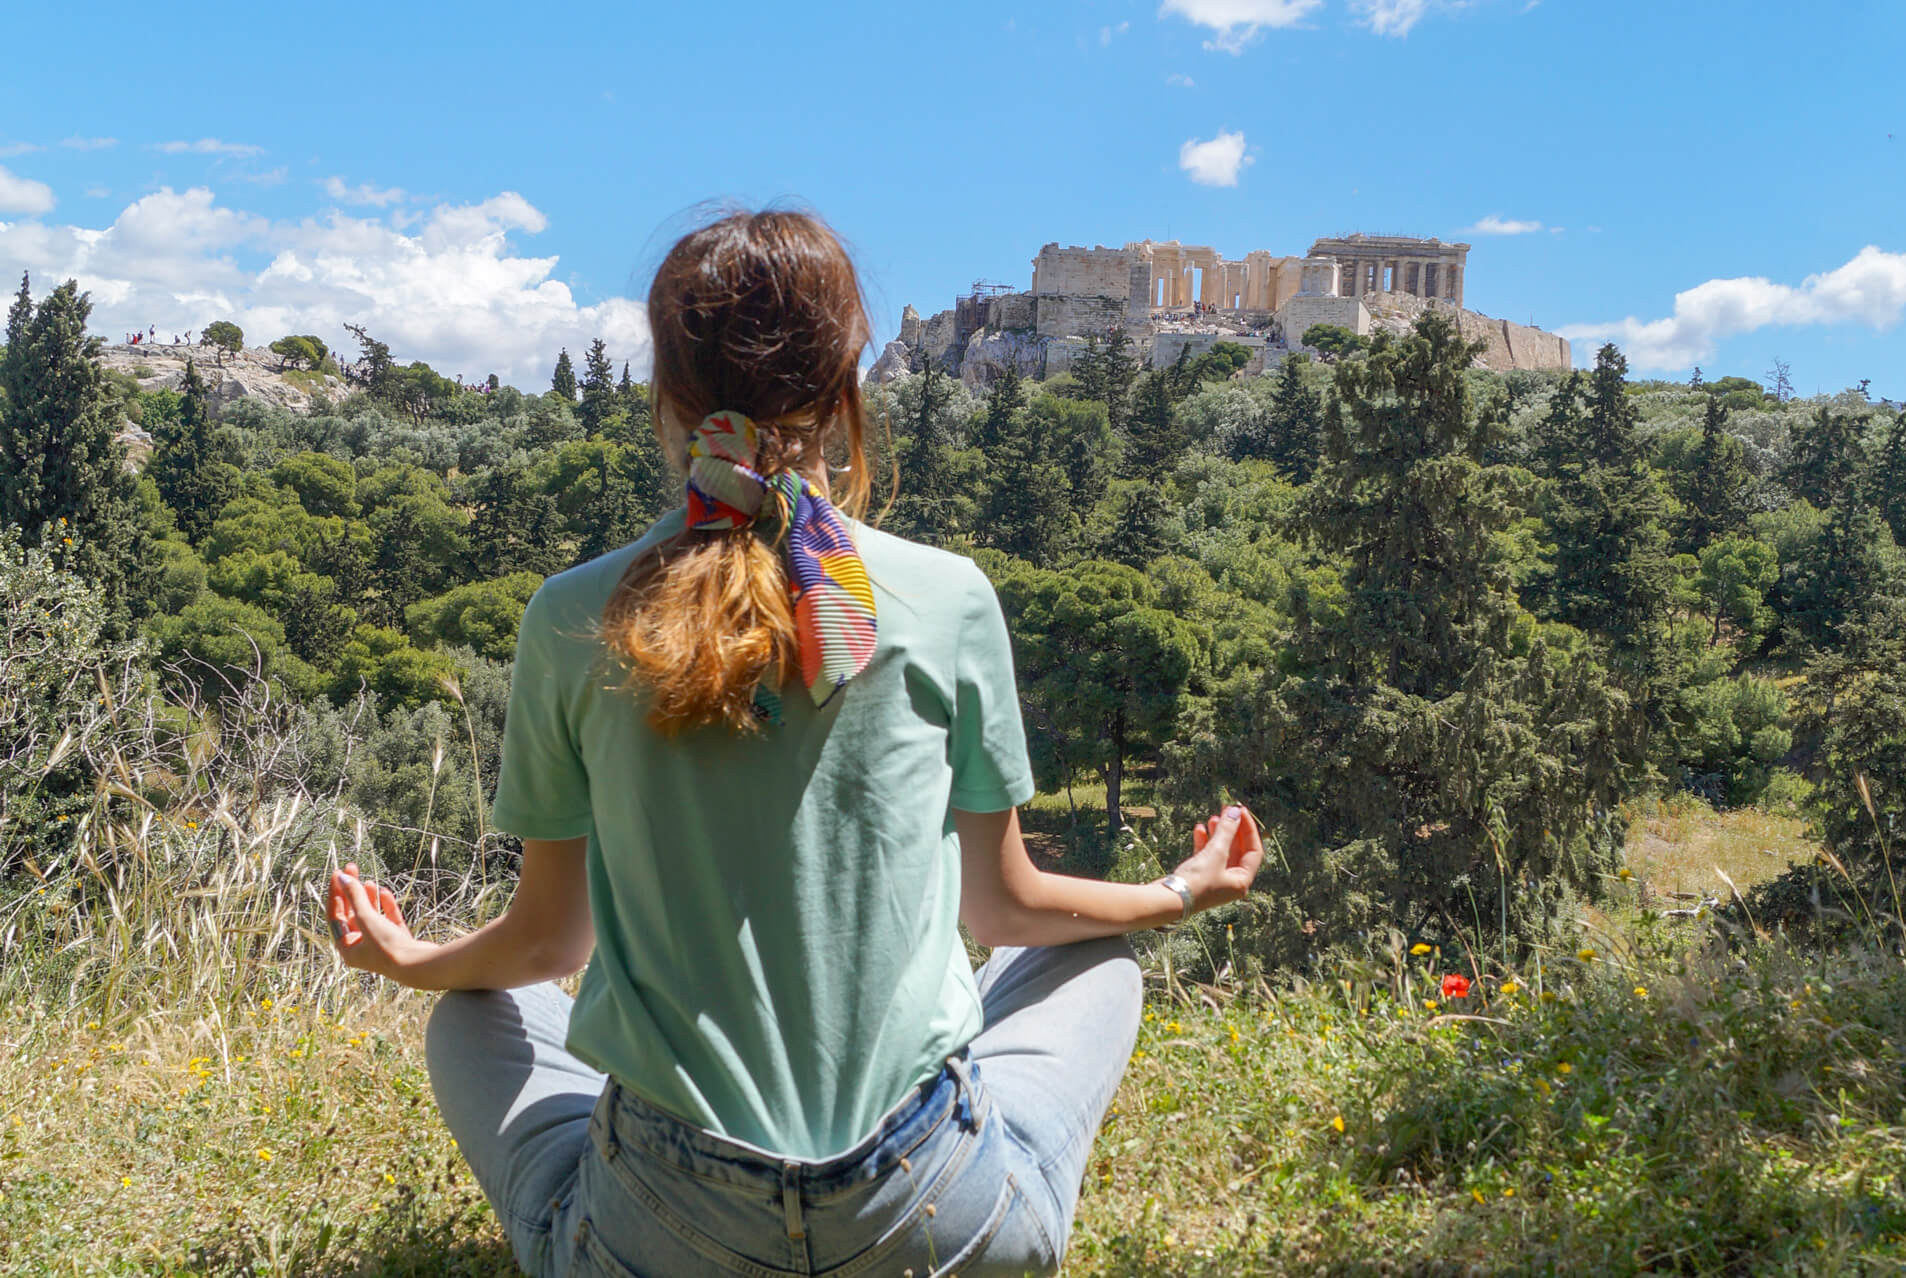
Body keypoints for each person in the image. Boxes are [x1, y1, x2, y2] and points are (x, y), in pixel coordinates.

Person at [327, 207, 1263, 1278]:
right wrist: (1179, 893)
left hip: (666, 1228)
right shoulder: (949, 597)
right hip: (930, 1217)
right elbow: (1004, 910)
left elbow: (548, 947)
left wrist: (412, 960)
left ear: (670, 400)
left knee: (470, 1018)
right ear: (847, 394)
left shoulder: (571, 615)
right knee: (1099, 967)